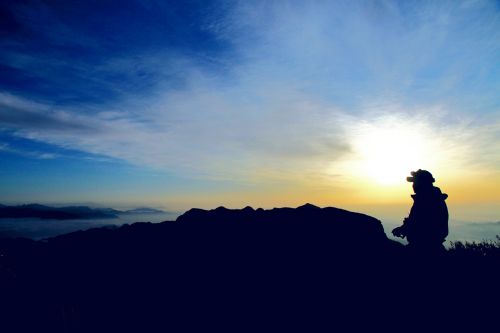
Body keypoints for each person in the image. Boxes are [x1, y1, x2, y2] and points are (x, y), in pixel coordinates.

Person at [392, 169, 449, 253]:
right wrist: (403, 228)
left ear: (423, 183)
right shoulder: (430, 198)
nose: (413, 185)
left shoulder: (428, 200)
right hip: (429, 246)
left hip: (425, 248)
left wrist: (404, 229)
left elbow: (422, 224)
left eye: (415, 182)